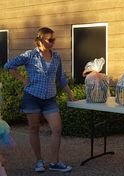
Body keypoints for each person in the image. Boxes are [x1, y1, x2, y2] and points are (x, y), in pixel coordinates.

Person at [4, 27, 75, 172]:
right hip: (32, 97)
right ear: (40, 40)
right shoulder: (30, 55)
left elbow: (60, 77)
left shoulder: (56, 56)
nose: (53, 42)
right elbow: (8, 65)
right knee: (34, 129)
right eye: (50, 39)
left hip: (50, 99)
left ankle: (54, 162)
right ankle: (39, 161)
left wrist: (70, 93)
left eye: (54, 39)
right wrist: (23, 79)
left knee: (57, 128)